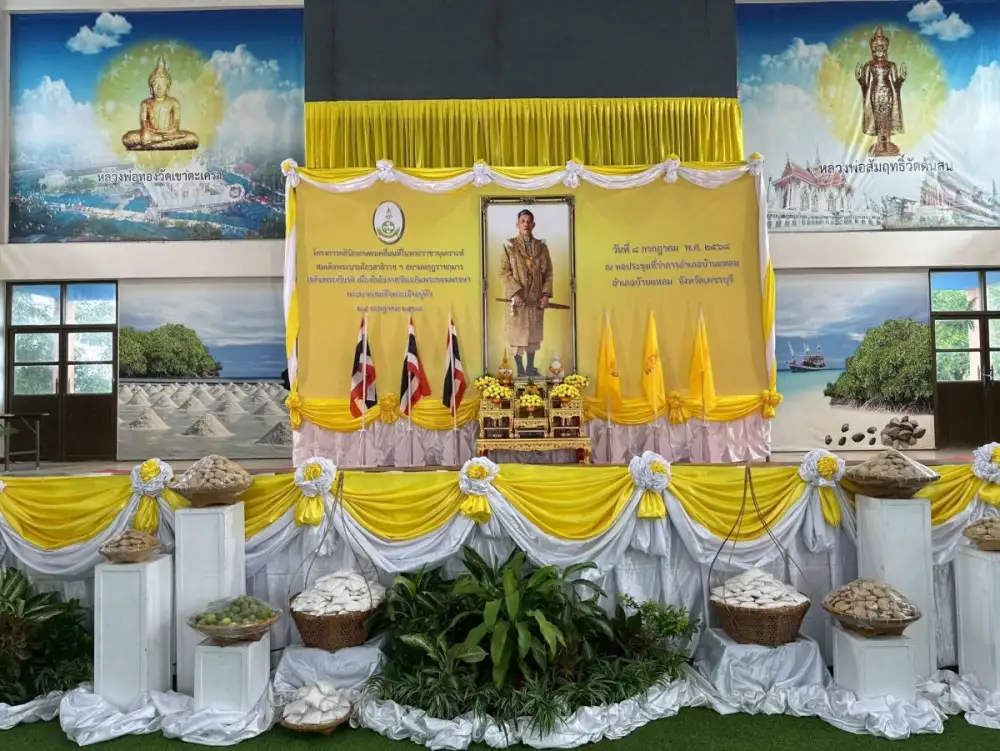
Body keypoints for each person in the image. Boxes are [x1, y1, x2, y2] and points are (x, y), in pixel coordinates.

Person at [499, 209, 553, 377]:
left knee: (533, 335)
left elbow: (548, 272)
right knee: (518, 335)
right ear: (517, 224)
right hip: (517, 300)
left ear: (533, 224)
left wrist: (545, 295)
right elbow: (504, 271)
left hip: (535, 299)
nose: (526, 224)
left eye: (529, 221)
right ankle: (520, 371)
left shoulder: (541, 247)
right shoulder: (510, 246)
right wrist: (515, 292)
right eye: (523, 221)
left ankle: (530, 368)